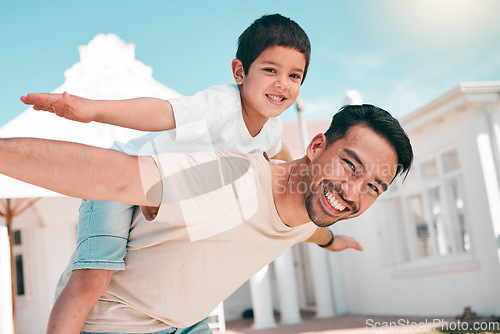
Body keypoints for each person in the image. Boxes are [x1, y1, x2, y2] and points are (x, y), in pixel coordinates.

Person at [0, 104, 413, 333]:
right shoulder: (228, 179)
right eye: (350, 166)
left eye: (374, 186)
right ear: (317, 145)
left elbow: (307, 234)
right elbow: (113, 174)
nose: (352, 194)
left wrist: (334, 242)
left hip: (185, 324)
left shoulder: (315, 207)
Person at [21, 13, 311, 334]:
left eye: (295, 75)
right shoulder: (220, 105)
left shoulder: (271, 130)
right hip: (121, 179)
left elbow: (285, 159)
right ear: (240, 72)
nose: (282, 83)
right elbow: (160, 111)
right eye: (270, 70)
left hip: (161, 197)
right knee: (94, 277)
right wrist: (93, 110)